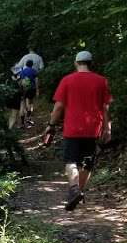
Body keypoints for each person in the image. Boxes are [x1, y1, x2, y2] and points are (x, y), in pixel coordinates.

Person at [43, 51, 113, 211]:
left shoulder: (67, 80)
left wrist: (51, 125)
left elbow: (59, 107)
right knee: (87, 163)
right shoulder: (102, 81)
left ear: (76, 63)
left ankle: (74, 189)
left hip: (72, 128)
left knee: (71, 161)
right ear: (91, 63)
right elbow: (105, 107)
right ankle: (79, 191)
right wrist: (107, 127)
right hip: (93, 128)